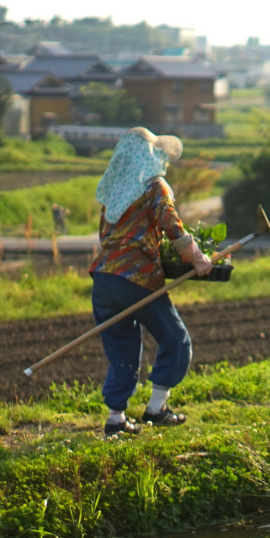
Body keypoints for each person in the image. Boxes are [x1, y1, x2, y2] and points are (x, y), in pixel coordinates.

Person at [89, 127, 212, 436]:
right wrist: (197, 257)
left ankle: (116, 418)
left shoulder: (114, 191)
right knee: (175, 338)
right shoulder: (155, 186)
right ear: (150, 156)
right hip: (136, 277)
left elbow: (109, 237)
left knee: (122, 349)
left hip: (103, 278)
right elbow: (171, 225)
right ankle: (157, 409)